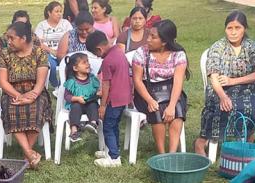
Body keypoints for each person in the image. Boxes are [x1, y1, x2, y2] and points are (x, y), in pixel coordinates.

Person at [196, 11, 255, 155]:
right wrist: (222, 96)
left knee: (247, 107)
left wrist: (233, 80)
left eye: (237, 28)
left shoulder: (252, 47)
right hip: (220, 88)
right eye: (229, 28)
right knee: (219, 106)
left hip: (246, 88)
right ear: (225, 29)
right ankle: (202, 142)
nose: (233, 32)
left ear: (244, 28)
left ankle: (247, 140)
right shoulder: (218, 47)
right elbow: (213, 77)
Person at [0, 21, 53, 169]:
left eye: (12, 38)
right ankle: (29, 154)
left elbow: (40, 83)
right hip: (12, 91)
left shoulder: (39, 53)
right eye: (8, 38)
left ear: (23, 38)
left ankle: (26, 156)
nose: (8, 41)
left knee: (37, 109)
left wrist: (31, 96)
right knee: (11, 108)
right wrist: (19, 96)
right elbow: (3, 82)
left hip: (35, 92)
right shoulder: (5, 54)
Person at [132, 20, 189, 154]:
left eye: (153, 37)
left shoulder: (178, 54)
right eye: (149, 35)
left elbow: (178, 82)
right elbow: (137, 80)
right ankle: (162, 153)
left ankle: (172, 153)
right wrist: (150, 100)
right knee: (156, 111)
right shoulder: (141, 53)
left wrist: (171, 106)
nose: (148, 39)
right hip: (146, 90)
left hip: (170, 89)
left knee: (177, 112)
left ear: (164, 42)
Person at [86, 30, 131, 167]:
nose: (97, 57)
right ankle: (112, 150)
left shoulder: (107, 61)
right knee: (114, 125)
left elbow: (106, 85)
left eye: (96, 54)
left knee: (108, 127)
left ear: (99, 49)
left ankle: (114, 158)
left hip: (114, 99)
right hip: (124, 97)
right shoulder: (119, 52)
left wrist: (103, 105)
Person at [63, 53, 100, 142]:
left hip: (90, 102)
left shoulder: (92, 79)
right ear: (75, 68)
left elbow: (96, 91)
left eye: (87, 61)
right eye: (84, 62)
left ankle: (93, 123)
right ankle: (74, 130)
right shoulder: (72, 81)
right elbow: (67, 96)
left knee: (94, 106)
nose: (88, 64)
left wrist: (99, 93)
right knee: (75, 108)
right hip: (77, 103)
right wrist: (77, 98)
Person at [34, 1, 73, 87]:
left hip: (64, 52)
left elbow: (71, 38)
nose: (59, 14)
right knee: (51, 65)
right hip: (47, 53)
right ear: (49, 13)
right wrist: (52, 51)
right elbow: (38, 43)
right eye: (56, 11)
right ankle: (56, 86)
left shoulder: (65, 23)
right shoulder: (42, 25)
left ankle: (62, 85)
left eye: (60, 11)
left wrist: (62, 51)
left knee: (69, 63)